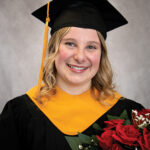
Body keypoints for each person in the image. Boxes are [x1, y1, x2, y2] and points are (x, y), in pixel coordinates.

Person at [0, 0, 145, 150]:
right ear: (53, 49)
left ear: (101, 55)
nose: (80, 57)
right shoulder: (19, 114)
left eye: (91, 46)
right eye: (70, 43)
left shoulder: (130, 115)